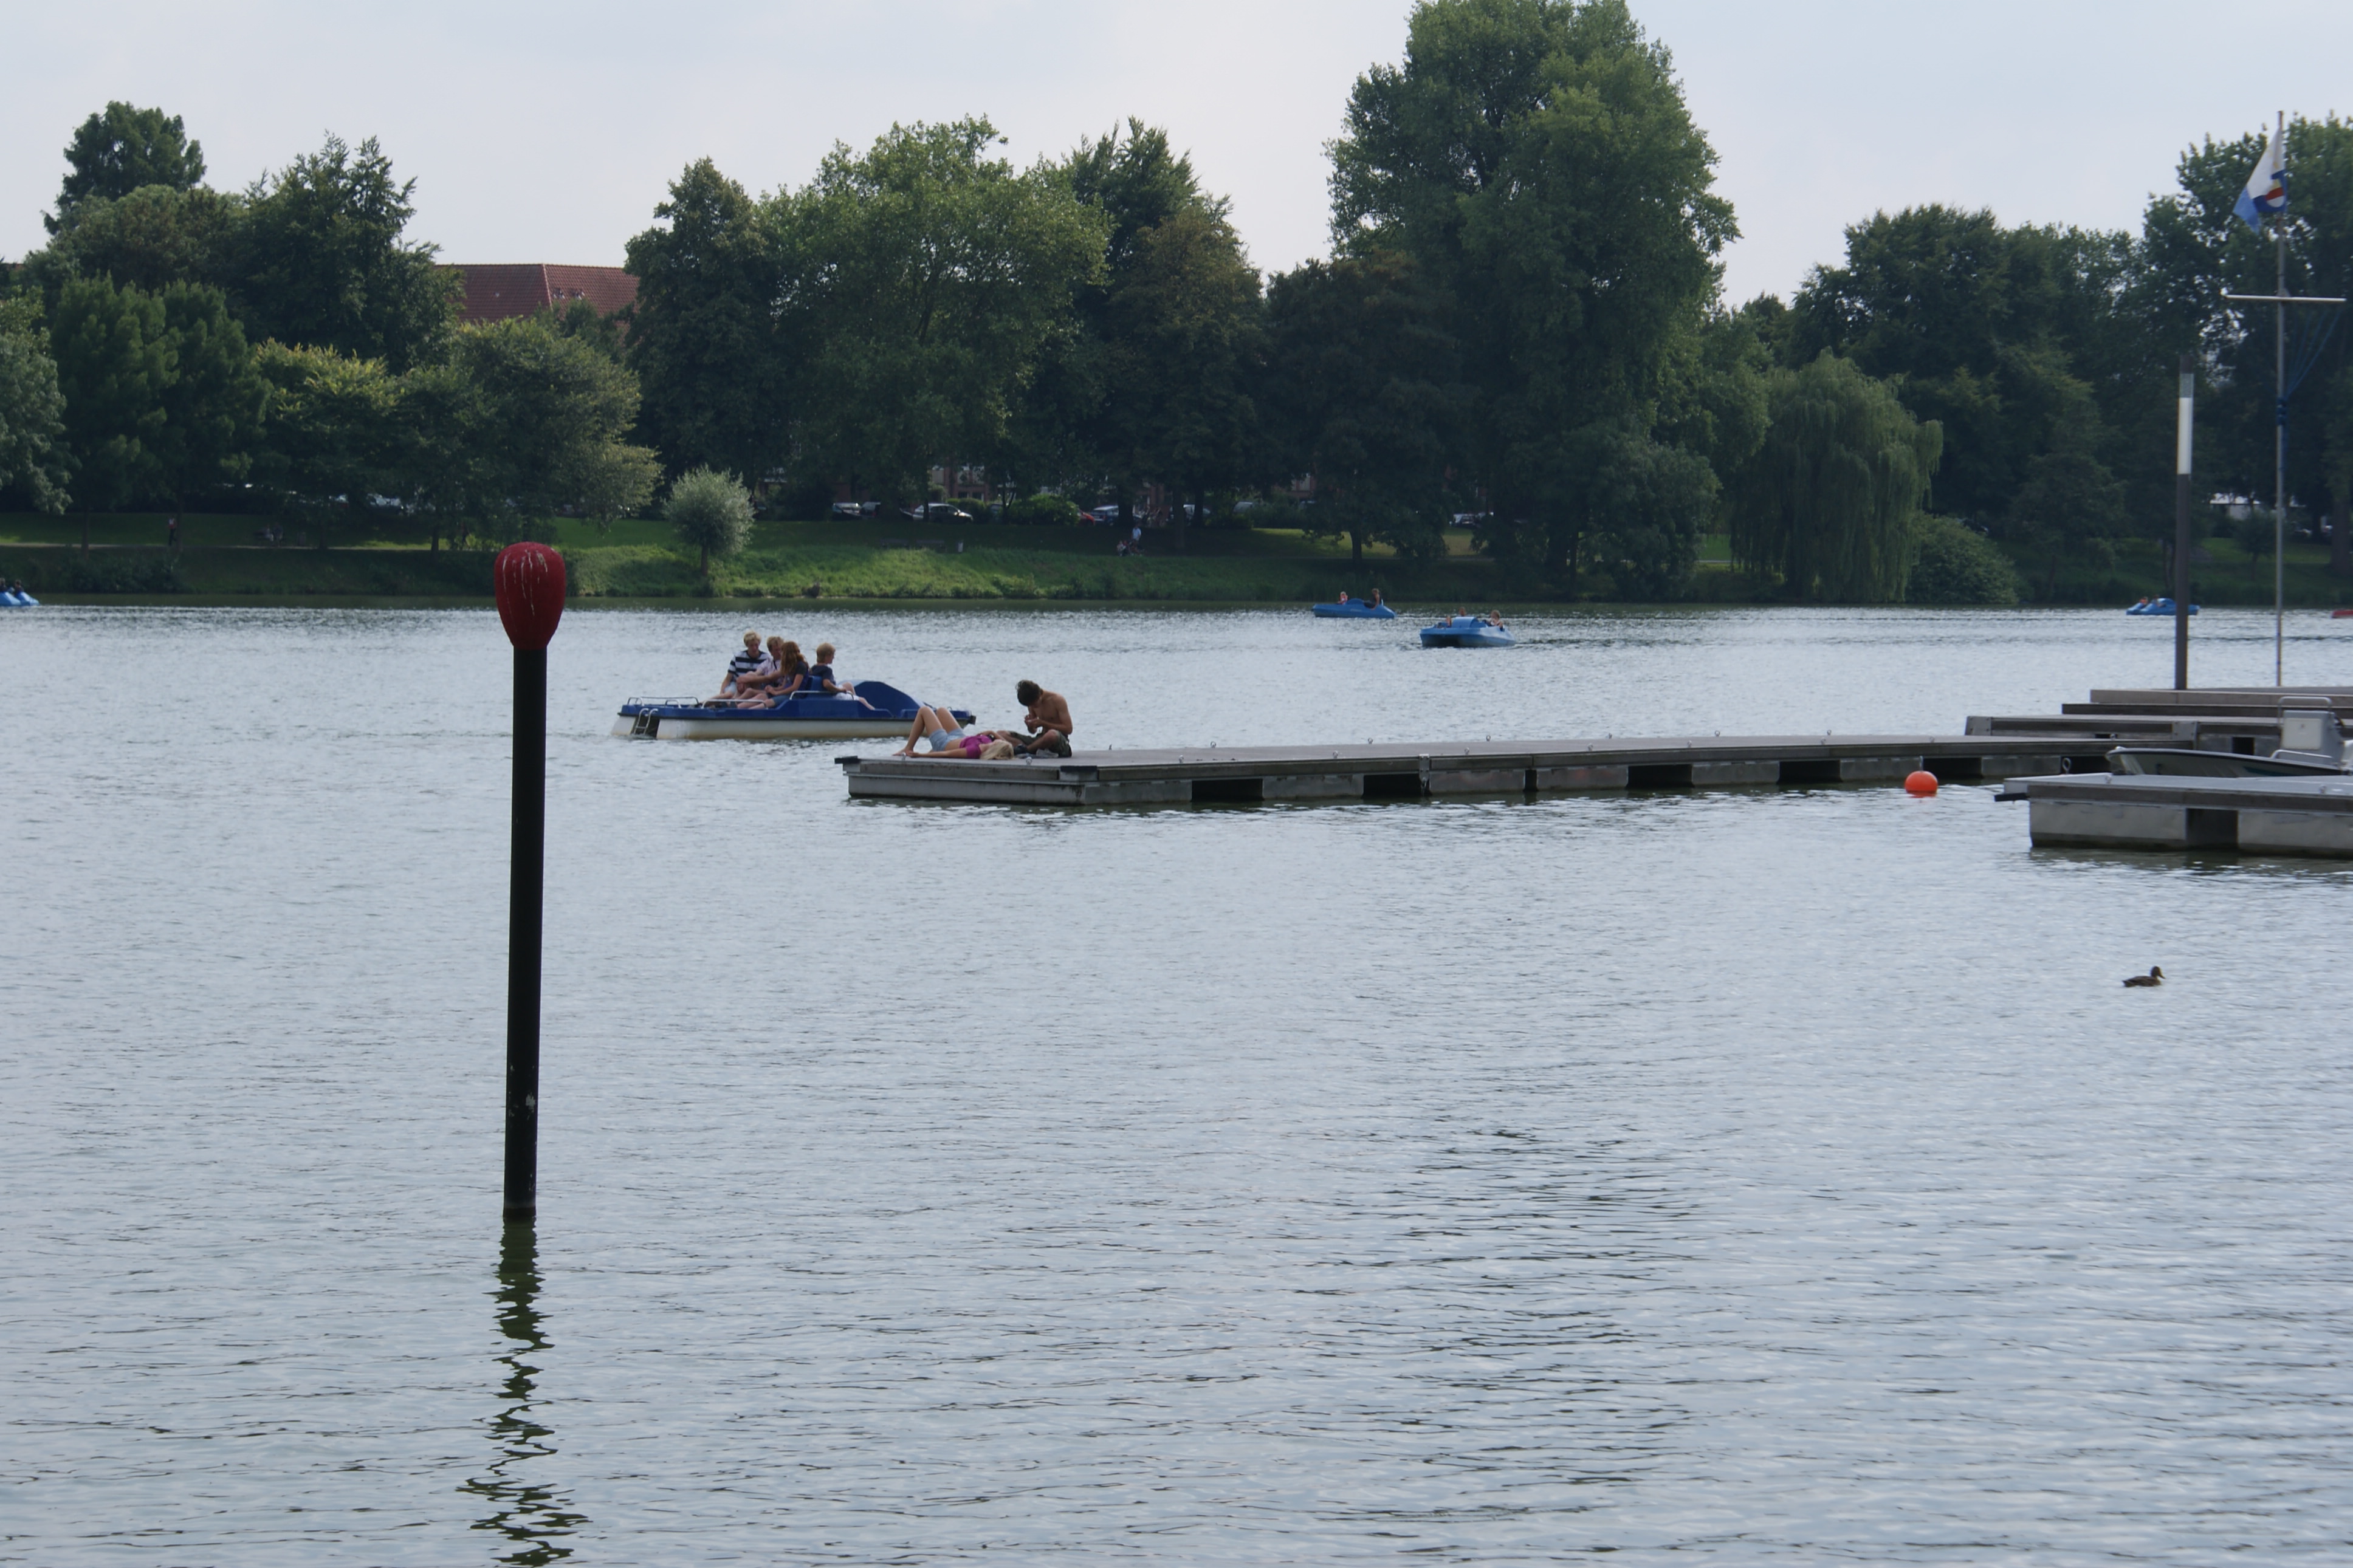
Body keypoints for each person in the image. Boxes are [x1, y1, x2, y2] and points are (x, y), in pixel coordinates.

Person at [735, 640, 810, 705]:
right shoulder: (770, 662)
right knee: (751, 685)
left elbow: (770, 678)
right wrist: (744, 679)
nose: (780, 653)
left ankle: (740, 709)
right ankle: (733, 704)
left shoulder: (789, 665)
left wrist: (746, 679)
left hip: (785, 692)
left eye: (780, 650)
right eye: (776, 650)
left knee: (765, 700)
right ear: (771, 652)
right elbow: (757, 673)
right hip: (778, 689)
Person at [1013, 680, 1074, 758]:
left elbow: (1069, 729)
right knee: (1003, 734)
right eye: (1030, 705)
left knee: (1052, 735)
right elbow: (1033, 731)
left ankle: (1026, 750)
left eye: (1034, 704)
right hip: (1041, 738)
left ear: (1039, 695)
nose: (1033, 707)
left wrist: (1043, 724)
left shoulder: (1057, 700)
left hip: (1058, 741)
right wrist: (1030, 726)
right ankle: (1027, 749)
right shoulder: (1031, 703)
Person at [895, 704, 973, 755]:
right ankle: (934, 749)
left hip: (944, 745)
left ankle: (908, 748)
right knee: (941, 710)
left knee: (924, 710)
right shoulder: (981, 741)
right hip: (960, 738)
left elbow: (948, 754)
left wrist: (923, 756)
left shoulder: (976, 750)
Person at [721, 631, 765, 696]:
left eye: (756, 645)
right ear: (747, 645)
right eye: (751, 646)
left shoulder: (766, 658)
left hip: (757, 684)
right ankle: (711, 701)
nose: (754, 648)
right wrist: (722, 691)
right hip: (737, 683)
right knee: (728, 695)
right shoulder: (738, 657)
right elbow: (728, 678)